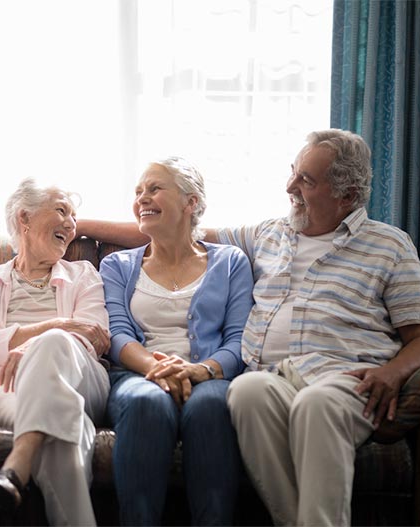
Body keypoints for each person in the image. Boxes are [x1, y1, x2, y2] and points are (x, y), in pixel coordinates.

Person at [78, 129, 420, 526]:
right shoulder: (270, 234)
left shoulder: (388, 245)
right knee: (246, 392)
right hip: (272, 376)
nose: (290, 186)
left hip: (343, 376)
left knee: (314, 405)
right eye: (293, 172)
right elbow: (175, 233)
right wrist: (76, 223)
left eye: (306, 180)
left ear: (348, 194)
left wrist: (392, 373)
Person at [98, 157, 254, 526]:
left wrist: (200, 370)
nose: (142, 198)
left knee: (211, 407)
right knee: (145, 402)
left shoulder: (231, 262)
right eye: (138, 192)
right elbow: (117, 335)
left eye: (154, 188)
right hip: (137, 375)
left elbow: (239, 339)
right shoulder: (116, 265)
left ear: (191, 202)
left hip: (211, 375)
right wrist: (156, 367)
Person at [0, 179, 111, 526]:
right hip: (8, 382)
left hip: (82, 379)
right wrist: (60, 324)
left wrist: (35, 343)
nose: (71, 223)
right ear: (24, 218)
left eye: (74, 216)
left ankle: (18, 463)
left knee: (55, 344)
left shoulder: (83, 274)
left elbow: (95, 338)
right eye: (61, 210)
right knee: (65, 432)